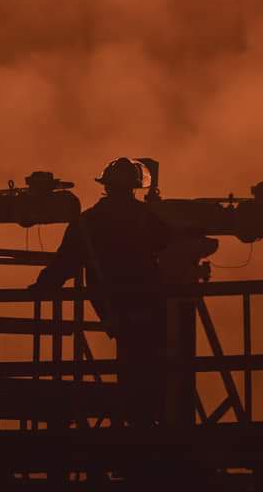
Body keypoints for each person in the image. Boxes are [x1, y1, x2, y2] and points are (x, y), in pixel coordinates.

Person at [29, 157, 173, 423]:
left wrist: (42, 286)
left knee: (131, 360)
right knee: (156, 361)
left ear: (106, 186)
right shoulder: (143, 217)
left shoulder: (88, 222)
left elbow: (65, 262)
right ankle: (155, 417)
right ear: (134, 187)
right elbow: (170, 242)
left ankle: (139, 418)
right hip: (149, 302)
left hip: (113, 304)